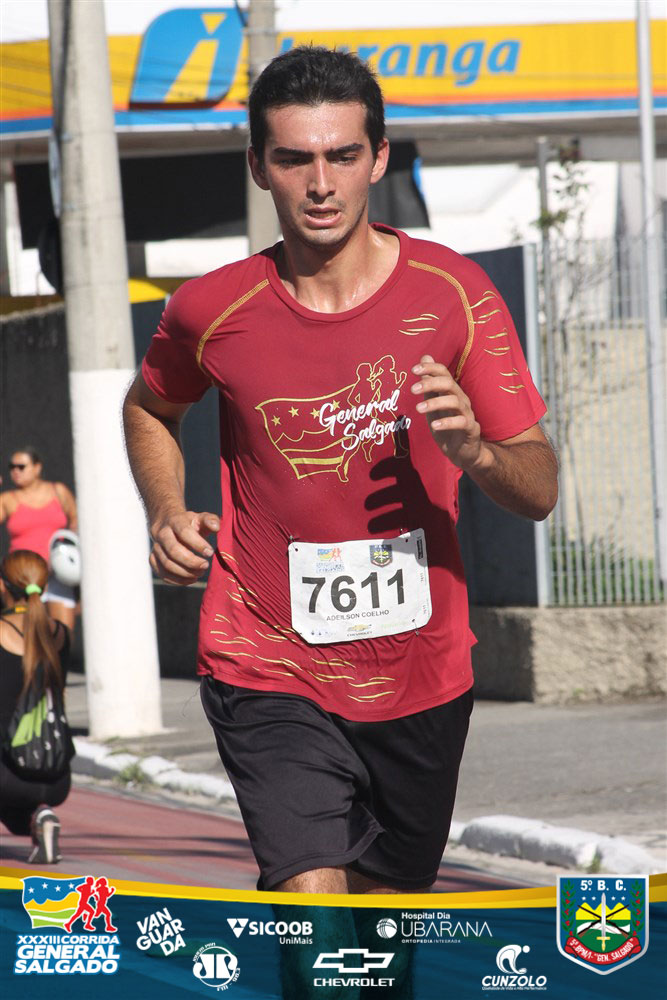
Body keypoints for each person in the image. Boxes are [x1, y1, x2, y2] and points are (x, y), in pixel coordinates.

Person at [123, 47, 558, 897]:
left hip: (420, 670)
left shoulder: (454, 293)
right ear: (259, 166)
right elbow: (149, 408)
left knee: (381, 935)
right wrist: (165, 507)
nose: (320, 184)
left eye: (342, 155)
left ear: (378, 158)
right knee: (314, 906)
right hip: (265, 658)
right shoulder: (211, 309)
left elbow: (538, 489)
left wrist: (475, 452)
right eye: (294, 159)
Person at [0, 550, 71, 864]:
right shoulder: (60, 634)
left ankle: (37, 816)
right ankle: (41, 815)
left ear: (3, 586)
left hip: (6, 772)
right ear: (44, 587)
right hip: (54, 775)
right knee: (17, 812)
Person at [0, 446, 78, 630]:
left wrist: (68, 555)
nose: (15, 471)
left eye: (21, 466)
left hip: (58, 574)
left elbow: (75, 521)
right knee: (25, 635)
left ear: (37, 467)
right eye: (12, 467)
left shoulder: (59, 491)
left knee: (63, 634)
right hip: (23, 576)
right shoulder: (7, 499)